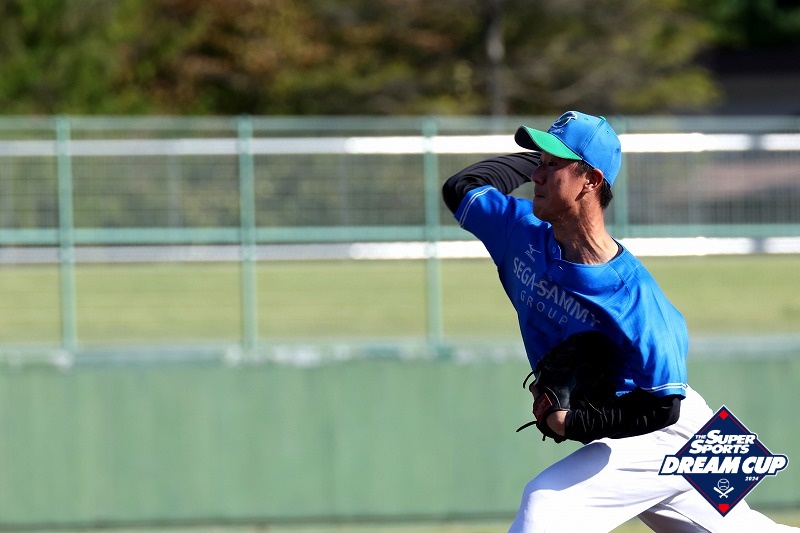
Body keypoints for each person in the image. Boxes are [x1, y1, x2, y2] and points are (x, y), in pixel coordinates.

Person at [441, 111, 797, 532]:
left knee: (545, 506)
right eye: (539, 161)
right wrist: (539, 158)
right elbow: (461, 187)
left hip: (666, 428)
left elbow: (664, 406)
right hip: (649, 430)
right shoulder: (519, 230)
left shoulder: (633, 295)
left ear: (591, 181)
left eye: (553, 165)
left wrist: (574, 423)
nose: (536, 175)